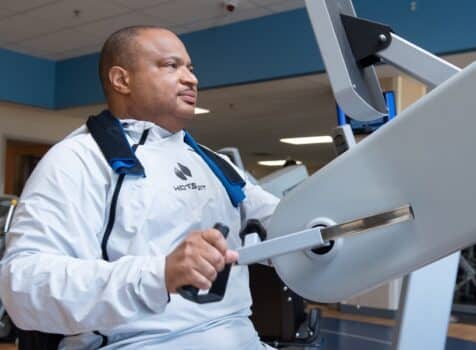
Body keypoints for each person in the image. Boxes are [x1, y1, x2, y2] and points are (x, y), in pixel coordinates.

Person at [0, 26, 279, 349]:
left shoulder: (214, 163)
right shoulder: (76, 160)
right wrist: (158, 274)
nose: (191, 79)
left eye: (190, 68)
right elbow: (23, 284)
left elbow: (285, 224)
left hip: (242, 338)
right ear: (121, 80)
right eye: (171, 66)